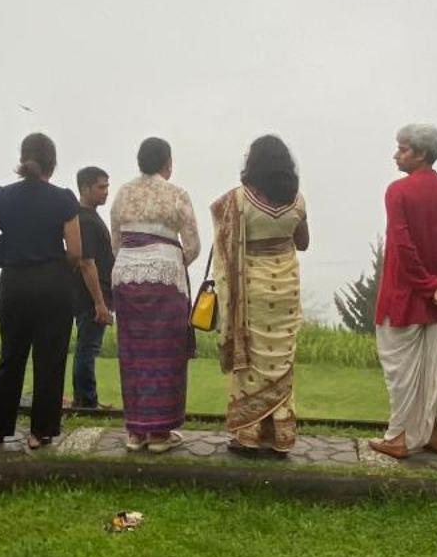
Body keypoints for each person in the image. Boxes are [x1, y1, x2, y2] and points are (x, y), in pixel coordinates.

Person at [0, 132, 81, 451]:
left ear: (22, 159)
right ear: (53, 162)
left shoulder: (4, 196)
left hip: (15, 284)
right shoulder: (63, 198)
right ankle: (40, 431)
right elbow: (75, 250)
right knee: (49, 358)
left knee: (11, 356)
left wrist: (10, 249)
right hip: (53, 284)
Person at [368, 123, 437, 459]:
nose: (396, 154)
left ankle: (398, 437)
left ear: (421, 153)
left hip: (405, 297)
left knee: (403, 372)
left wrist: (427, 285)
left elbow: (402, 244)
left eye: (403, 148)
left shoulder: (398, 191)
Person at [211, 135, 309, 455]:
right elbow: (303, 242)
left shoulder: (239, 200)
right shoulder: (298, 200)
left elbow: (222, 242)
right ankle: (279, 435)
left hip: (252, 286)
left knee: (252, 358)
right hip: (286, 286)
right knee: (281, 359)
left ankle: (249, 434)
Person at [108, 138, 200, 451]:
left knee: (133, 352)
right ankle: (160, 434)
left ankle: (136, 432)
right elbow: (192, 244)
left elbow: (115, 241)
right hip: (165, 278)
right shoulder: (177, 194)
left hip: (126, 275)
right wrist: (171, 259)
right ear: (167, 163)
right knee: (164, 352)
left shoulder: (123, 193)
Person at [68, 166, 114, 409]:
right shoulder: (84, 219)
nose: (106, 192)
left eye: (107, 186)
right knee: (87, 347)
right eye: (101, 187)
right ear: (85, 188)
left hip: (95, 294)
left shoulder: (88, 216)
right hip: (90, 297)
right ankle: (85, 401)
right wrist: (100, 302)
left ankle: (86, 397)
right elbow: (87, 263)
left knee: (87, 346)